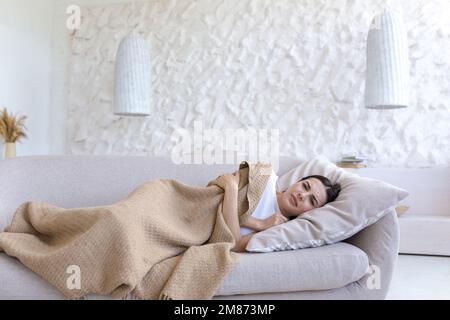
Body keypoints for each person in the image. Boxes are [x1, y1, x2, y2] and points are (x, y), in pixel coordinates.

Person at [215, 169, 341, 252]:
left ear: (311, 212)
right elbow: (223, 181)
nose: (302, 195)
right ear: (297, 182)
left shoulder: (280, 229)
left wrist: (261, 224)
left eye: (312, 201)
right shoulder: (266, 174)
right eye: (305, 186)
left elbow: (234, 246)